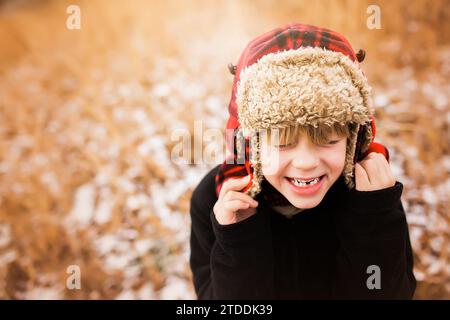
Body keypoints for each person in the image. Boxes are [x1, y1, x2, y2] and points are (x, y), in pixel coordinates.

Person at [189, 23, 416, 299]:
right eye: (283, 143)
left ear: (354, 138)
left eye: (329, 140)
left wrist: (374, 219)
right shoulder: (214, 201)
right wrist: (238, 240)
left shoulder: (371, 195)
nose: (306, 162)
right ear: (250, 143)